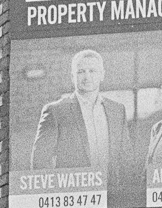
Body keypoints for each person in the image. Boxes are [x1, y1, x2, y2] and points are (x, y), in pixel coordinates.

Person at [31, 48, 134, 191]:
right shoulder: (56, 111)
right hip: (73, 199)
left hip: (111, 196)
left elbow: (126, 159)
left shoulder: (117, 110)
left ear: (102, 75)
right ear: (72, 77)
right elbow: (40, 162)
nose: (87, 77)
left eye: (92, 71)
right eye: (81, 72)